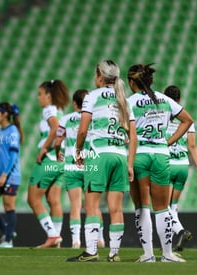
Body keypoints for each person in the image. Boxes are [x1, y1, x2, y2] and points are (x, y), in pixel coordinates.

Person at [66, 60, 137, 262]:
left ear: (99, 76)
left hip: (99, 154)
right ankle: (114, 254)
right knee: (116, 208)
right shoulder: (124, 98)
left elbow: (82, 130)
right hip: (120, 155)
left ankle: (91, 252)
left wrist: (78, 151)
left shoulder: (91, 97)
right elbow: (133, 137)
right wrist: (130, 163)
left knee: (92, 205)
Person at [127, 64, 193, 263]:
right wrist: (168, 141)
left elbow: (124, 129)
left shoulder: (130, 102)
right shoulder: (164, 100)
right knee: (163, 208)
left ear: (132, 82)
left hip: (139, 155)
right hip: (161, 155)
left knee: (142, 206)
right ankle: (167, 254)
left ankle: (148, 255)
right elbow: (188, 120)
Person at [54, 89, 105, 249]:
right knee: (94, 205)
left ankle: (76, 241)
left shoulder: (65, 119)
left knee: (75, 205)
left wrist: (59, 154)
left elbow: (57, 142)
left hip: (71, 166)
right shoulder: (93, 118)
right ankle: (100, 239)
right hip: (90, 165)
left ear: (74, 104)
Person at [164, 85, 197, 251]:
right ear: (179, 99)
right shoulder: (186, 117)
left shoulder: (163, 117)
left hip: (167, 165)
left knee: (163, 207)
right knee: (173, 206)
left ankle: (180, 231)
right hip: (182, 166)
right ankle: (170, 243)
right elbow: (193, 146)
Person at [27, 79, 69, 248]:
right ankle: (56, 237)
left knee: (33, 199)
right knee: (54, 199)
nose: (38, 98)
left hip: (49, 158)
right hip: (61, 160)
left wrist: (44, 148)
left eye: (40, 94)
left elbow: (55, 128)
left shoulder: (49, 109)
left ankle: (52, 236)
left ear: (48, 96)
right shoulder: (60, 109)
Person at [0, 102, 24, 248]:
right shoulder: (0, 131)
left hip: (10, 175)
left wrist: (5, 175)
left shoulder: (13, 130)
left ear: (5, 114)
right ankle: (7, 231)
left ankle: (8, 241)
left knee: (9, 205)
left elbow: (14, 156)